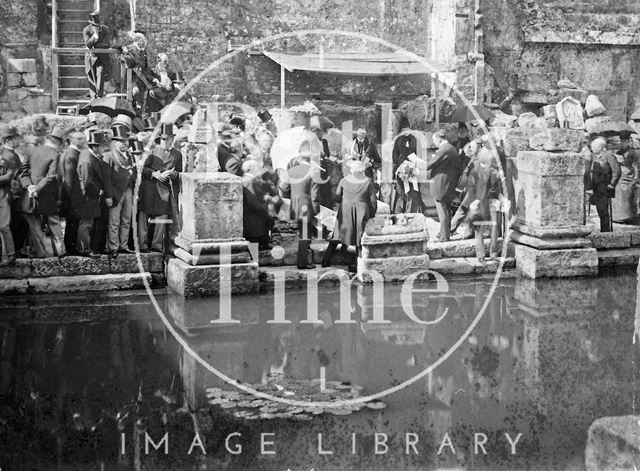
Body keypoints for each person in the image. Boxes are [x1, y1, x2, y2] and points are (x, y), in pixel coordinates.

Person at [19, 126, 68, 258]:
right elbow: (51, 176)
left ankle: (40, 254)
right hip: (47, 195)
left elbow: (23, 172)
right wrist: (37, 189)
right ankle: (60, 252)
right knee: (54, 223)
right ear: (60, 143)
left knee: (35, 226)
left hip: (30, 196)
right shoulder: (55, 154)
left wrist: (29, 187)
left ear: (48, 138)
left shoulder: (32, 151)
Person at [322, 160, 377, 267]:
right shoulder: (368, 181)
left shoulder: (344, 180)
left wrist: (345, 201)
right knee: (359, 238)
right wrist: (372, 214)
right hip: (361, 211)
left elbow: (337, 196)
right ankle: (358, 265)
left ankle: (326, 261)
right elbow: (373, 201)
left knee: (337, 235)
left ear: (352, 170)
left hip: (345, 210)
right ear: (362, 170)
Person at [138, 123, 181, 252]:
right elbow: (142, 168)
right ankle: (143, 245)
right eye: (163, 139)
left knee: (161, 218)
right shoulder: (152, 151)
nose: (166, 142)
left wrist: (173, 175)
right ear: (160, 140)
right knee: (144, 216)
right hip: (149, 187)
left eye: (168, 139)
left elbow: (179, 172)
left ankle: (156, 245)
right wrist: (154, 174)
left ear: (172, 139)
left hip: (164, 189)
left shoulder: (177, 155)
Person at [278, 140, 321, 269]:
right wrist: (317, 211)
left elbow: (284, 188)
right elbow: (315, 196)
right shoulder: (313, 171)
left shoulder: (291, 170)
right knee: (305, 235)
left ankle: (306, 260)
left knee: (303, 233)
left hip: (295, 205)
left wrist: (292, 197)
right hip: (307, 206)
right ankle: (303, 263)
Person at [76, 130, 111, 257]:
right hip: (87, 196)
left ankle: (86, 247)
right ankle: (83, 248)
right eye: (101, 146)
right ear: (95, 147)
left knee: (89, 223)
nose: (103, 148)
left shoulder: (91, 156)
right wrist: (99, 191)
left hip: (91, 196)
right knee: (86, 223)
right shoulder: (87, 159)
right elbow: (87, 182)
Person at [463, 148, 502, 261]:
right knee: (479, 227)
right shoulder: (475, 169)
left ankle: (493, 253)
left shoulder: (495, 170)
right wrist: (473, 201)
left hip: (493, 201)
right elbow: (471, 187)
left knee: (495, 227)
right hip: (479, 201)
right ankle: (481, 255)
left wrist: (499, 196)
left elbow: (498, 186)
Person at [104, 125, 136, 257]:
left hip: (128, 190)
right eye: (121, 141)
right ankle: (113, 247)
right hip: (116, 192)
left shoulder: (130, 156)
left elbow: (134, 172)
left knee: (126, 219)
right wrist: (109, 195)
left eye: (126, 141)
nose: (124, 144)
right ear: (115, 142)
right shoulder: (110, 156)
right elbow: (107, 179)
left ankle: (124, 245)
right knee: (114, 221)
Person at [428, 129, 462, 241]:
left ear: (439, 138)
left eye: (434, 140)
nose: (434, 143)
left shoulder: (444, 149)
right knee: (446, 210)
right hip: (448, 184)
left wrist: (417, 165)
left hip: (441, 184)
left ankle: (443, 237)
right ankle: (446, 235)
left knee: (442, 211)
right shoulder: (451, 148)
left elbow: (431, 164)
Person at [586, 136, 621, 232]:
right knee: (599, 209)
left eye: (594, 147)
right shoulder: (593, 156)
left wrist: (612, 184)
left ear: (600, 147)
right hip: (595, 187)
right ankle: (604, 230)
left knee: (604, 210)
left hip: (605, 187)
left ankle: (606, 231)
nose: (592, 148)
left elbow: (616, 171)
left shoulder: (609, 155)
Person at [59, 131, 86, 254]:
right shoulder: (71, 155)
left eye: (83, 138)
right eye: (79, 138)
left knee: (72, 222)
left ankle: (71, 247)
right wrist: (74, 198)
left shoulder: (72, 153)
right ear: (72, 140)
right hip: (71, 194)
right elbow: (69, 179)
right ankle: (71, 248)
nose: (83, 140)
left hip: (70, 193)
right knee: (72, 222)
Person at [450, 138, 482, 238]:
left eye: (473, 147)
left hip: (474, 190)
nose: (471, 150)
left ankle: (449, 230)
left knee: (462, 209)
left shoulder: (479, 159)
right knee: (470, 211)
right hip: (471, 189)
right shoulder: (475, 158)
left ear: (479, 147)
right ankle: (469, 232)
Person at [242, 160, 273, 250]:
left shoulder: (246, 179)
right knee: (255, 250)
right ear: (250, 168)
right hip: (254, 221)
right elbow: (252, 202)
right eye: (257, 167)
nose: (259, 169)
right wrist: (266, 211)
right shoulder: (249, 181)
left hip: (253, 220)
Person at [0, 125, 20, 265]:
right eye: (16, 137)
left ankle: (10, 253)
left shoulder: (8, 154)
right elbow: (9, 177)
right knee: (4, 226)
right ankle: (10, 253)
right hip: (5, 194)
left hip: (6, 194)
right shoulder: (9, 156)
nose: (19, 140)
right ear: (10, 139)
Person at [82, 10, 111, 98]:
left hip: (102, 58)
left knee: (100, 72)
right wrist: (95, 36)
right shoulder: (87, 30)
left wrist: (96, 45)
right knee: (91, 78)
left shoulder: (105, 29)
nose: (97, 27)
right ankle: (93, 99)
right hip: (91, 58)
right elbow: (88, 44)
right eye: (95, 26)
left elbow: (108, 44)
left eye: (98, 26)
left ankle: (100, 96)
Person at [612, 135, 640, 224]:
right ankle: (618, 216)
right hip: (621, 175)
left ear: (628, 141)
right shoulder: (619, 151)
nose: (622, 143)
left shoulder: (633, 153)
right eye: (621, 141)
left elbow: (636, 167)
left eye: (624, 141)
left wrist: (635, 179)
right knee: (615, 187)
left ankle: (628, 216)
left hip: (629, 176)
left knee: (625, 189)